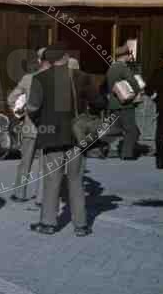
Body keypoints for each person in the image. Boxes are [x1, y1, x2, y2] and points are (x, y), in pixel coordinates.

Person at [26, 43, 97, 237]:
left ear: (48, 61)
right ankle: (81, 225)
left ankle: (48, 223)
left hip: (51, 136)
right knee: (76, 180)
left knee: (51, 180)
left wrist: (42, 123)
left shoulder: (40, 79)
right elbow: (98, 101)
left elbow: (32, 108)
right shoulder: (81, 77)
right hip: (77, 135)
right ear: (66, 57)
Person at [8, 47, 50, 203]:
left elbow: (12, 99)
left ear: (39, 61)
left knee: (25, 161)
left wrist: (22, 113)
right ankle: (41, 198)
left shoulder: (28, 78)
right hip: (50, 129)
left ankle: (20, 193)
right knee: (45, 164)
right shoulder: (58, 79)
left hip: (30, 126)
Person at [106, 44, 141, 160]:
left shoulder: (111, 68)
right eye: (129, 55)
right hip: (125, 103)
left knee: (117, 128)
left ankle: (108, 148)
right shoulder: (123, 68)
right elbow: (134, 83)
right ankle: (127, 154)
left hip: (114, 103)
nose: (130, 57)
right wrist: (137, 92)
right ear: (125, 55)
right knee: (131, 130)